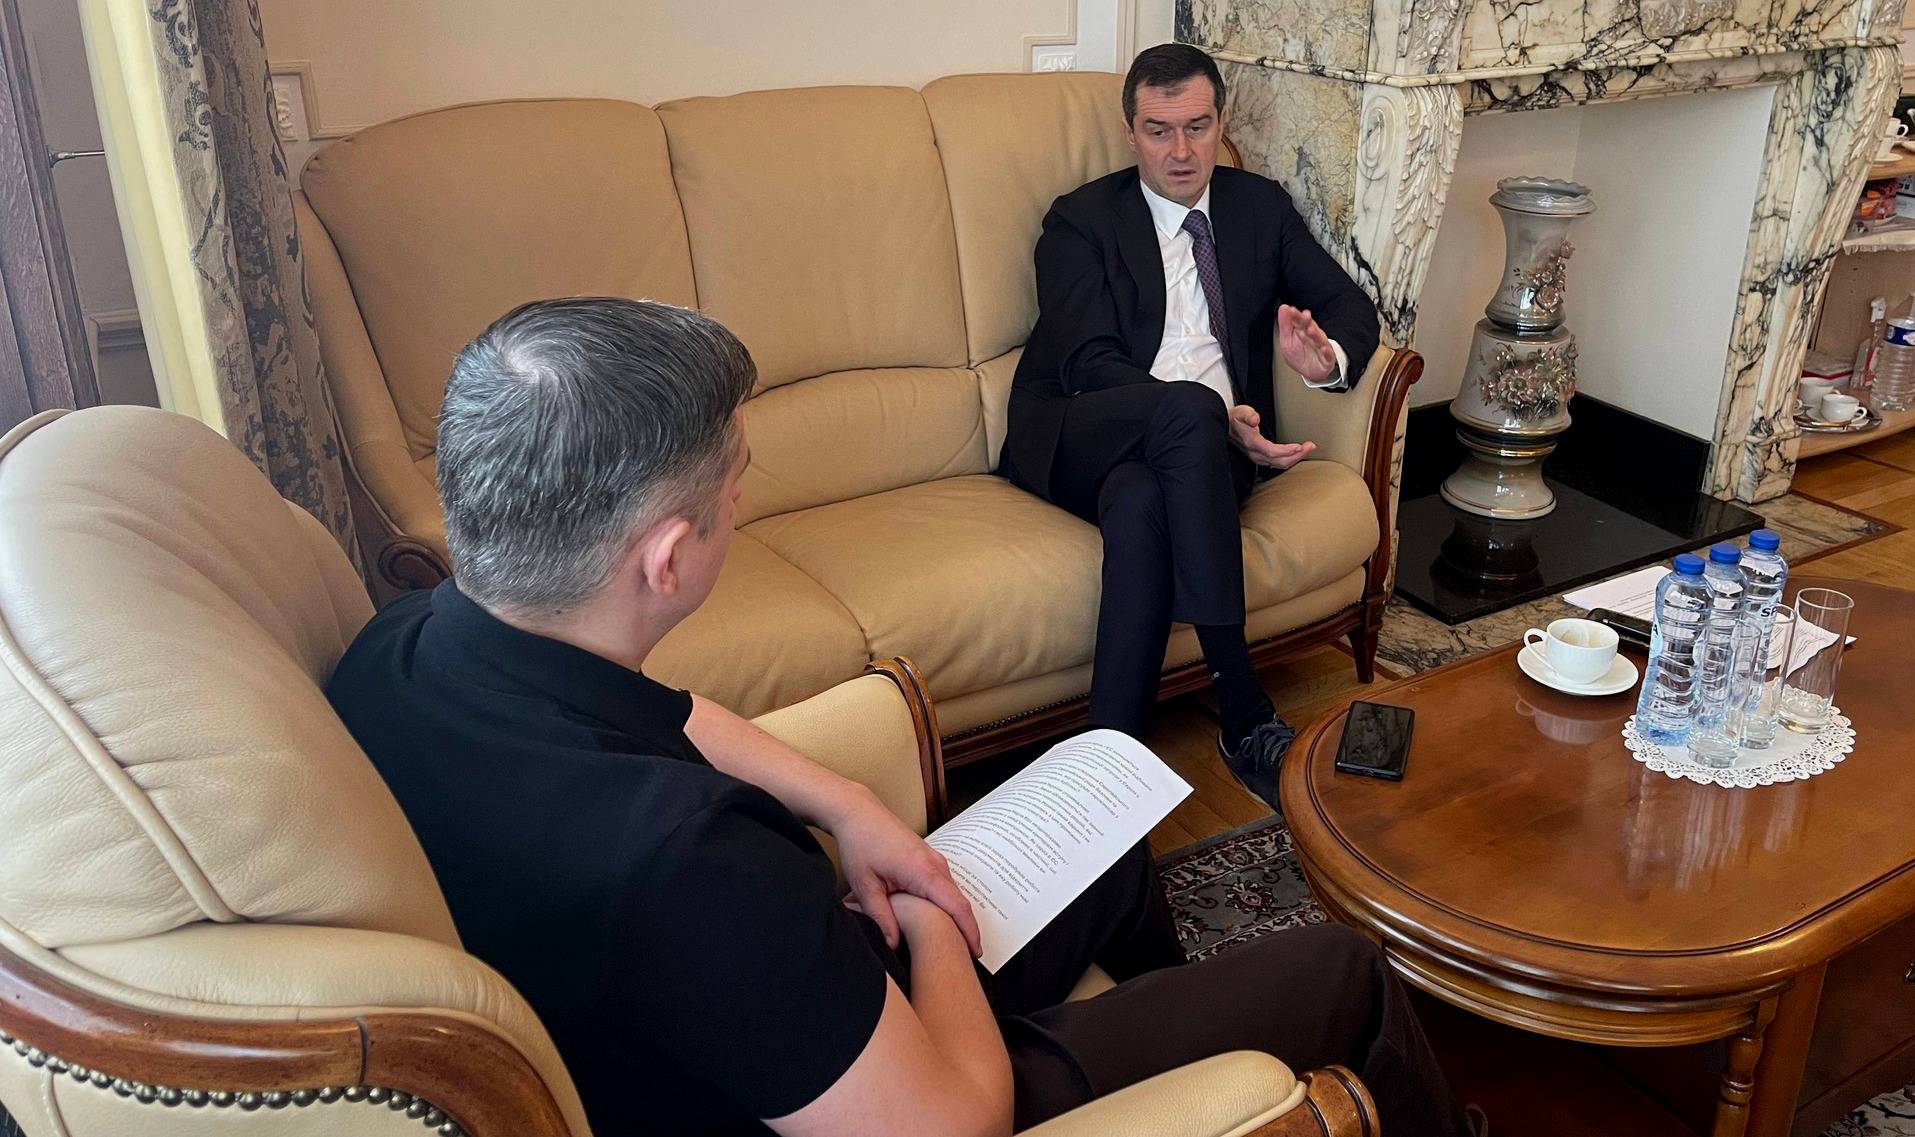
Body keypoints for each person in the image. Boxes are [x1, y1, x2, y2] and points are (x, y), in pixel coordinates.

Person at [327, 298, 1456, 1137]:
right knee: (1343, 972)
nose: (740, 501)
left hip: (757, 1021)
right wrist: (926, 916)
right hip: (889, 1092)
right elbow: (954, 1121)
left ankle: (1176, 1052)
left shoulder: (408, 646)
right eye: (734, 488)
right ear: (668, 560)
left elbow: (675, 715)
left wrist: (851, 806)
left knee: (1105, 850)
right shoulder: (684, 863)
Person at [1000, 44, 1381, 811]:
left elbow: (1349, 305)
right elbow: (1087, 362)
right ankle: (1243, 710)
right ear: (1130, 134)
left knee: (1141, 501)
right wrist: (1209, 415)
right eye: (1159, 131)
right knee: (1191, 409)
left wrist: (1325, 360)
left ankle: (1104, 774)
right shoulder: (1080, 222)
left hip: (1200, 457)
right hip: (1085, 430)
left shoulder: (1259, 208)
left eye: (1197, 127)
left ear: (1220, 122)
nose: (1181, 151)